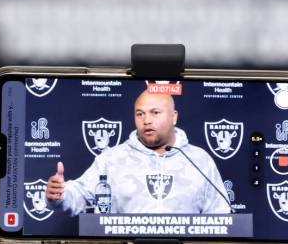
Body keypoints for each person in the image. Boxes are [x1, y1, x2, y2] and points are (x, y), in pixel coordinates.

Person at [45, 90, 230, 215]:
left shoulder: (200, 160)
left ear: (174, 117)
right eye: (140, 114)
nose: (146, 120)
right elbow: (79, 194)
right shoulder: (111, 159)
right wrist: (60, 194)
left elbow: (221, 215)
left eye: (155, 112)